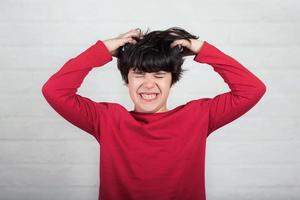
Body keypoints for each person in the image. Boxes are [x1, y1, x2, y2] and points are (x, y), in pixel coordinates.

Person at [41, 27, 266, 200]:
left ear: (172, 81)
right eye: (139, 74)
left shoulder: (198, 116)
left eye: (159, 75)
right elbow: (54, 91)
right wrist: (103, 49)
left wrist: (202, 49)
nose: (149, 85)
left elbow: (252, 89)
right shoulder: (106, 118)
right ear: (126, 80)